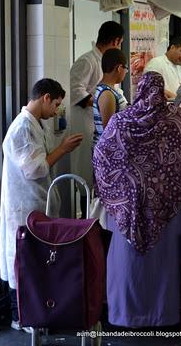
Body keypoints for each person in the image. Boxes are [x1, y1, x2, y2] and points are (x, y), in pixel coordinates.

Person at [93, 71, 181, 328]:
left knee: (128, 263)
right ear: (162, 90)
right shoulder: (178, 119)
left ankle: (125, 315)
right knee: (164, 265)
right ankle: (164, 315)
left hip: (128, 209)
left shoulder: (121, 121)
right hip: (168, 208)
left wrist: (118, 192)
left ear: (140, 89)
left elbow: (101, 157)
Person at [0, 78, 83, 332]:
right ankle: (20, 316)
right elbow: (35, 168)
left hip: (34, 202)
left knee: (32, 259)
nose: (56, 111)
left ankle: (31, 311)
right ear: (45, 97)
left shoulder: (34, 124)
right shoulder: (22, 128)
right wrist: (63, 149)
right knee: (21, 259)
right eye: (56, 104)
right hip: (23, 205)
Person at [70, 21, 124, 217]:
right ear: (116, 40)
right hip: (86, 125)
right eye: (120, 43)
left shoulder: (105, 61)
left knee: (98, 177)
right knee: (86, 174)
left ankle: (96, 216)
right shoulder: (87, 60)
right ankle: (87, 219)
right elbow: (75, 90)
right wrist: (102, 102)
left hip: (100, 125)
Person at [93, 48, 128, 148]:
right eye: (126, 68)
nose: (126, 72)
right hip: (107, 152)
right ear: (119, 68)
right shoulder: (107, 94)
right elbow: (109, 131)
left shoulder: (110, 89)